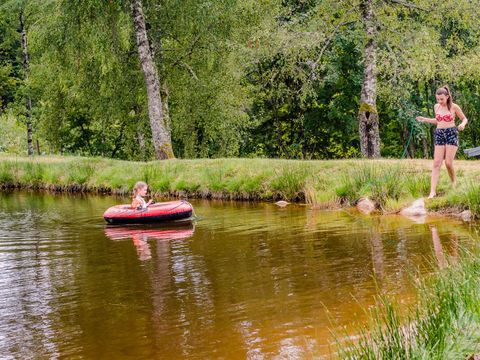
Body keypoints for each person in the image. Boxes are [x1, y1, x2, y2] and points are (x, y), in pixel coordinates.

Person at [416, 85, 468, 199]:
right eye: (438, 99)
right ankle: (432, 192)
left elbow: (464, 118)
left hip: (451, 133)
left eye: (442, 99)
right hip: (439, 133)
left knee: (448, 163)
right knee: (436, 163)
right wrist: (424, 119)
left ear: (447, 97)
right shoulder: (436, 107)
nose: (439, 101)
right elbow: (438, 121)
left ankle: (454, 182)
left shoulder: (454, 107)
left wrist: (462, 124)